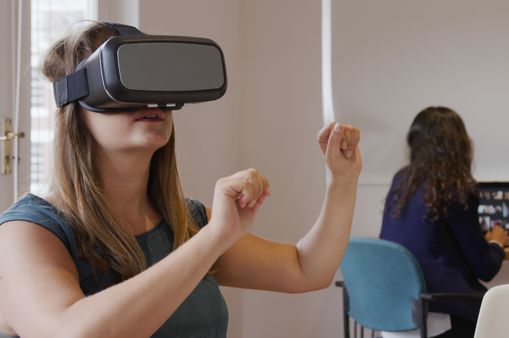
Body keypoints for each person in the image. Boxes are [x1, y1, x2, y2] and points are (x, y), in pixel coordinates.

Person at [0, 22, 362, 337]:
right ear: (77, 105)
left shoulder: (185, 223)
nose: (151, 99)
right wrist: (213, 239)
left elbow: (306, 270)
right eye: (128, 81)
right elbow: (72, 333)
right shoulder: (28, 232)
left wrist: (342, 182)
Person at [379, 106, 509, 338]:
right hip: (438, 312)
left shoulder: (401, 180)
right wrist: (496, 243)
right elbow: (485, 267)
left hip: (395, 309)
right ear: (459, 145)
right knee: (505, 314)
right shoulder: (455, 187)